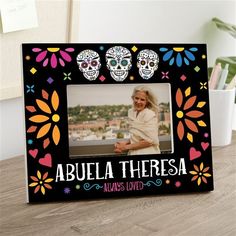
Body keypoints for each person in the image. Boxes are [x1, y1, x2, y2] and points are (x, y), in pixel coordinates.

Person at [114, 85, 160, 155]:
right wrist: (126, 142)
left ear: (147, 102)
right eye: (137, 98)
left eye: (142, 99)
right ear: (133, 98)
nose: (138, 102)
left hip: (148, 152)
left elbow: (150, 141)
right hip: (133, 152)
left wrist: (125, 147)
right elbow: (138, 136)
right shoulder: (131, 112)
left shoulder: (150, 115)